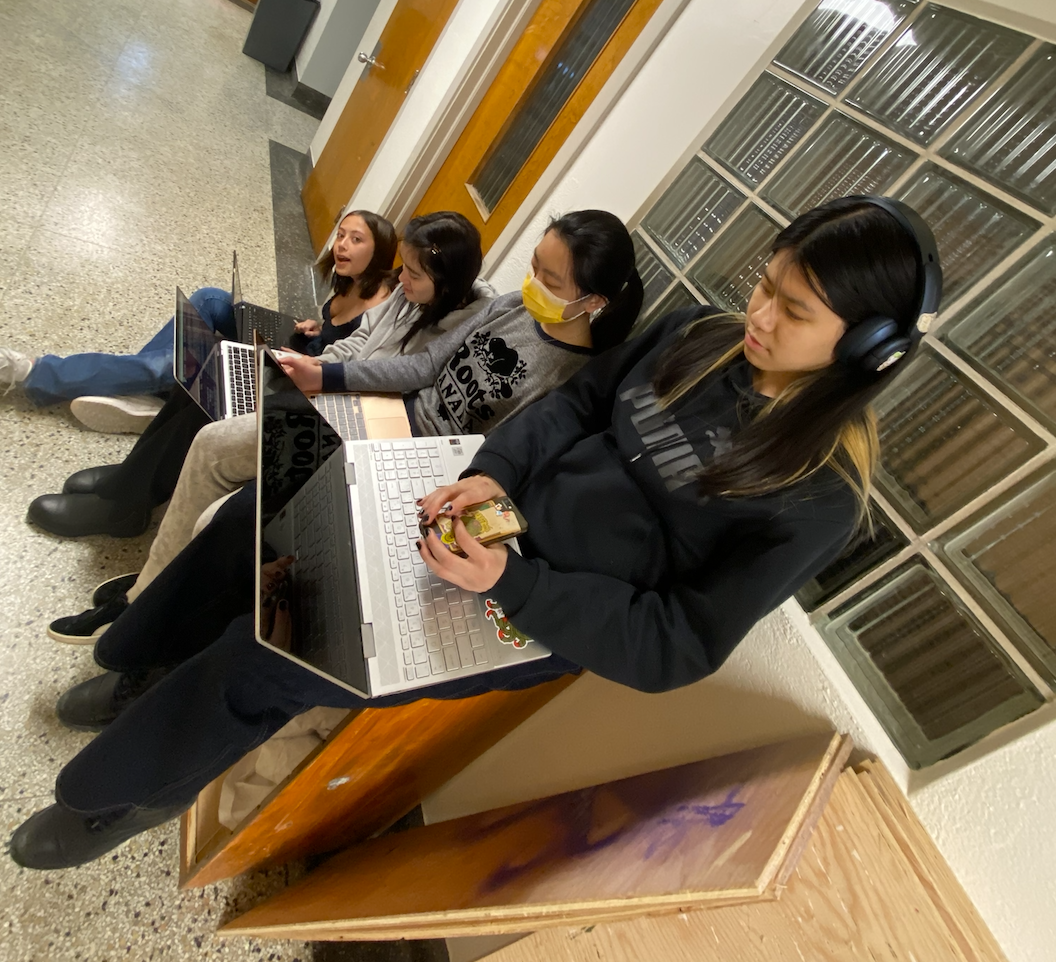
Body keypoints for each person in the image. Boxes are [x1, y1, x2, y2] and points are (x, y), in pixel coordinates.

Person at [45, 210, 640, 641]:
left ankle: (152, 618)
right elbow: (428, 365)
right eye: (534, 265)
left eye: (551, 281)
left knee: (230, 517)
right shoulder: (511, 304)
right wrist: (325, 380)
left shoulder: (572, 379)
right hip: (380, 415)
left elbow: (488, 459)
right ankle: (141, 595)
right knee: (213, 440)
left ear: (594, 302)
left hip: (407, 466)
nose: (531, 283)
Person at [22, 208, 411, 539]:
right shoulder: (348, 280)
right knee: (209, 299)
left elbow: (352, 360)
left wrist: (308, 357)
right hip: (301, 348)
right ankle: (142, 429)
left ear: (380, 254)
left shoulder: (385, 299)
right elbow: (335, 336)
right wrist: (315, 327)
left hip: (306, 373)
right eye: (341, 235)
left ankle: (125, 497)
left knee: (205, 371)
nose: (341, 245)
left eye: (356, 240)